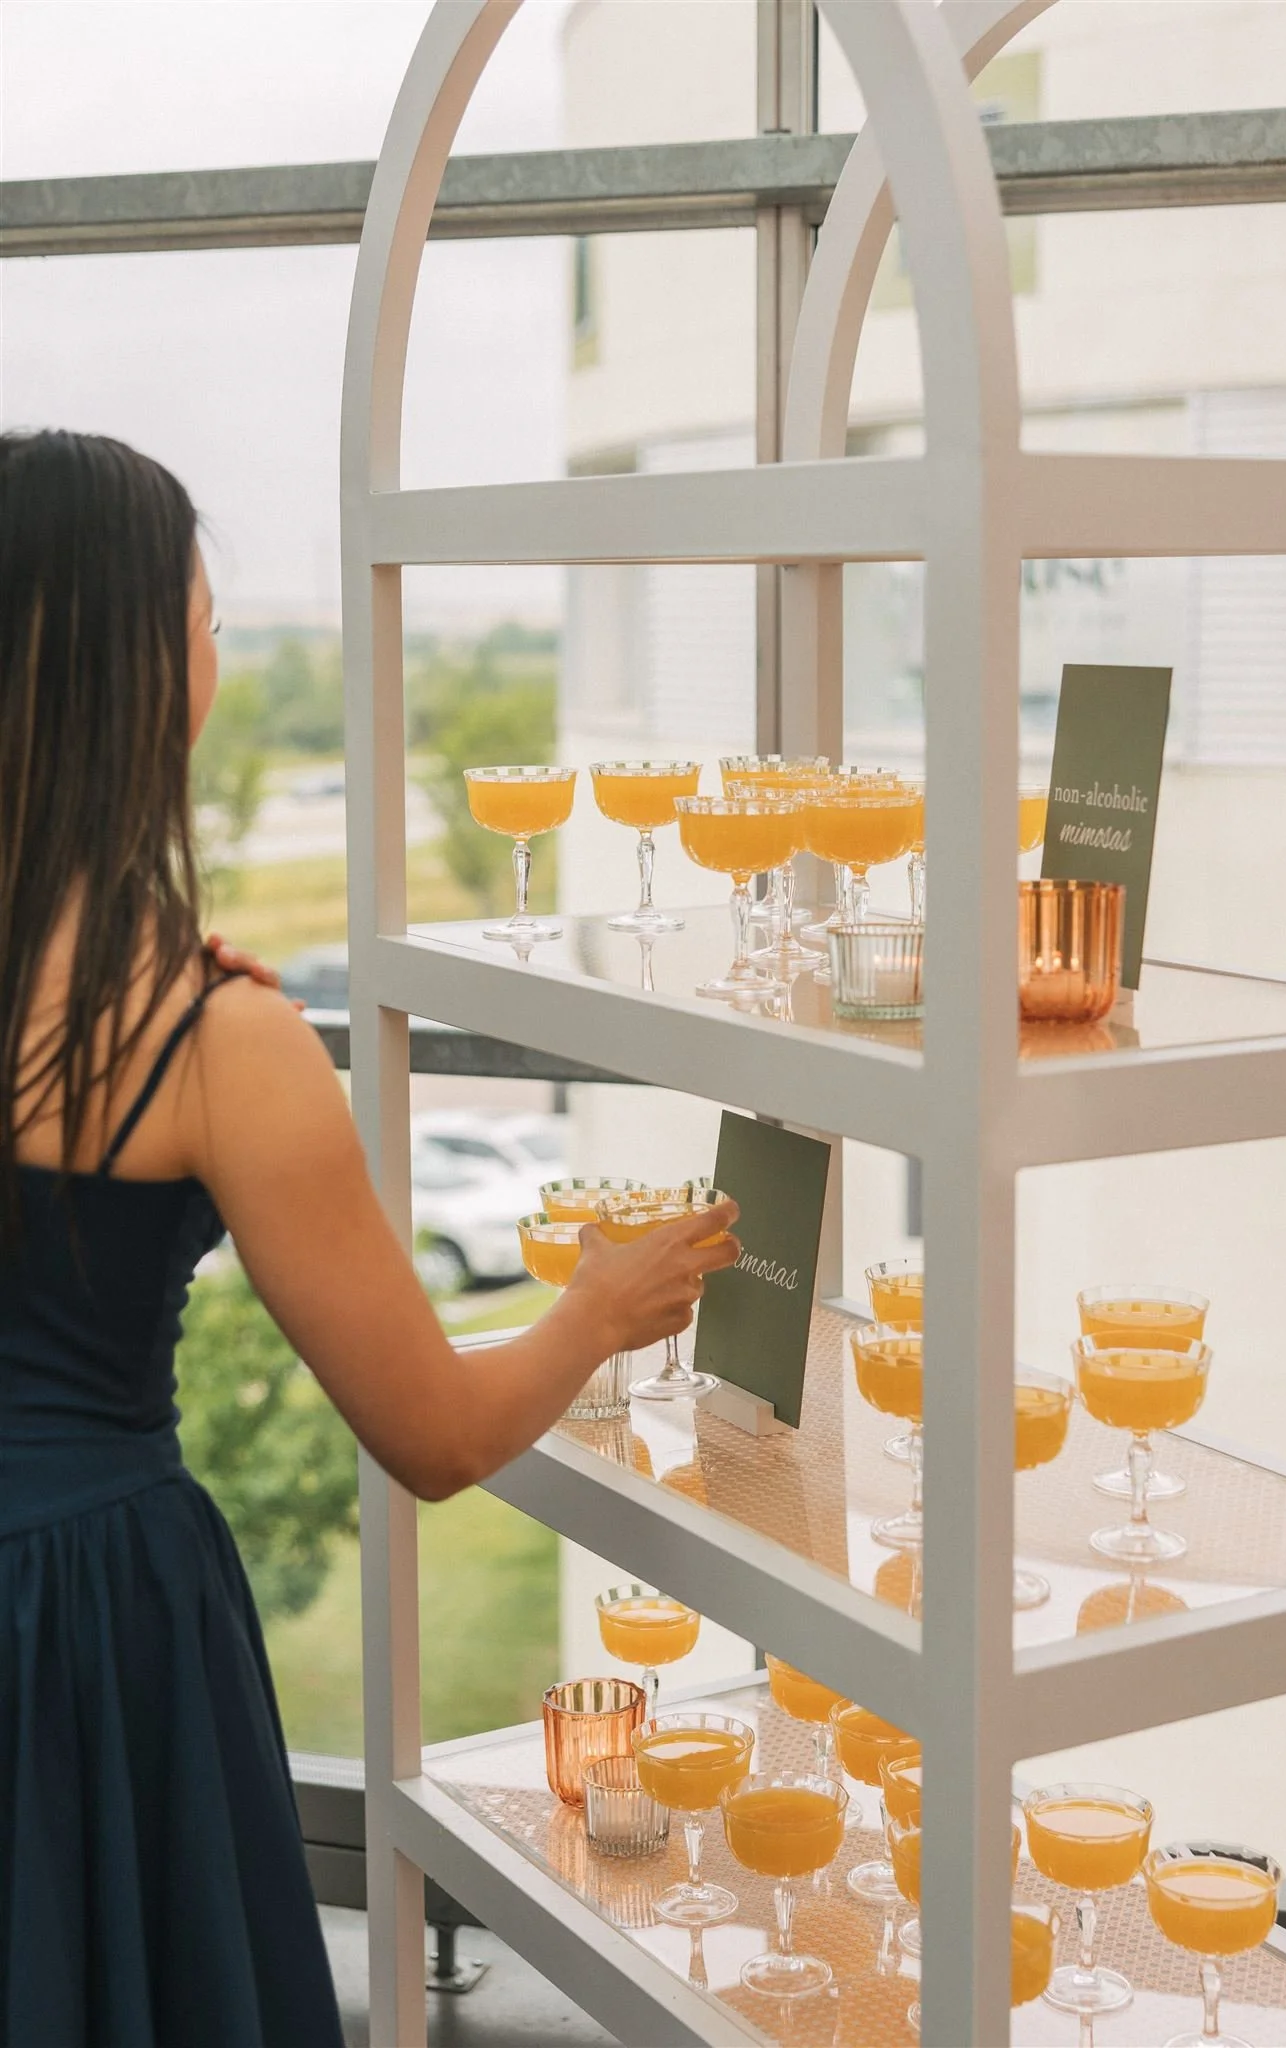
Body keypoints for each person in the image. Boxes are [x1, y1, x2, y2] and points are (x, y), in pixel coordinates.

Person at [0, 429, 740, 2048]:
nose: (213, 663)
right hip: (85, 1628)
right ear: (137, 676)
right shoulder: (207, 1035)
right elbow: (433, 1431)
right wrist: (599, 1309)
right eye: (202, 628)